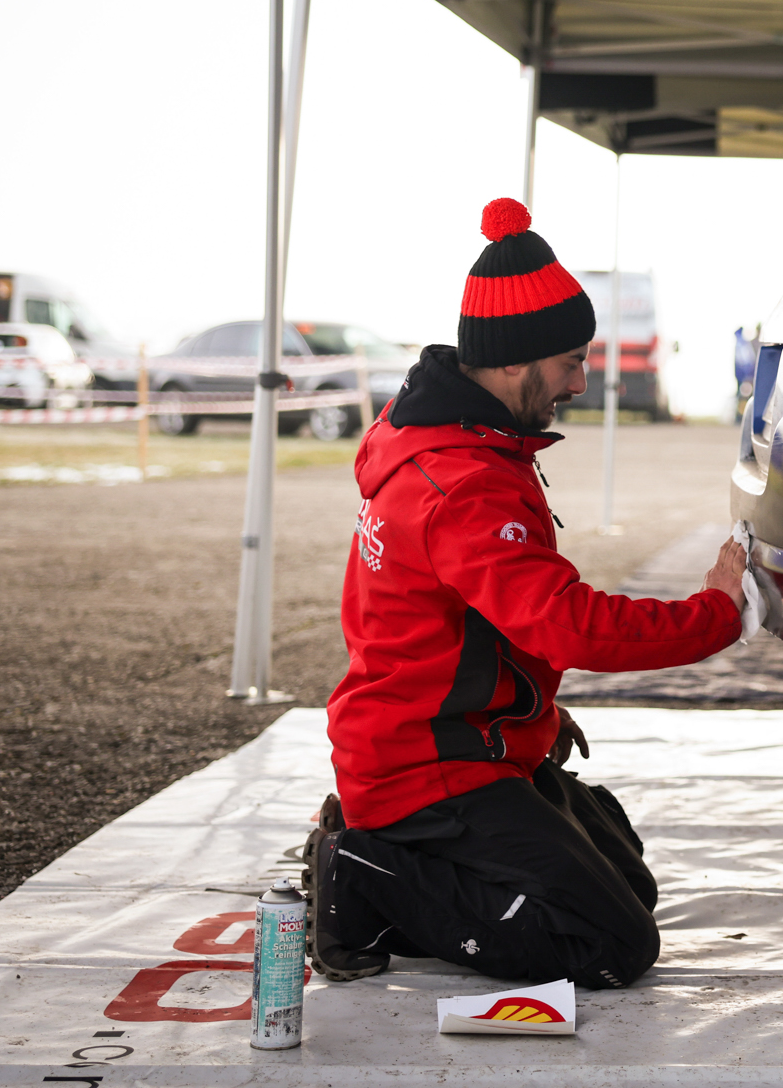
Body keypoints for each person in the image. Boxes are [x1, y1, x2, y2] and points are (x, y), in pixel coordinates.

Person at [303, 197, 747, 990]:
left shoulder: (445, 435)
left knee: (630, 884)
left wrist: (526, 704)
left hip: (451, 735)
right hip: (427, 764)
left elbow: (464, 612)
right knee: (609, 943)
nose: (580, 381)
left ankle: (389, 842)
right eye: (570, 361)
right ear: (513, 361)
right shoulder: (463, 480)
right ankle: (362, 869)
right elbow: (569, 626)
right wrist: (713, 613)